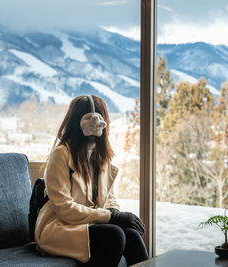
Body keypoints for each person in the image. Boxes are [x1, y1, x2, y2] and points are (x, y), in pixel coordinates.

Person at [35, 95, 149, 267]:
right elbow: (65, 209)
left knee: (131, 234)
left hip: (89, 223)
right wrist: (112, 217)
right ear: (78, 124)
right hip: (59, 228)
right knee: (114, 235)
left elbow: (109, 197)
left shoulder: (101, 156)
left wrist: (113, 210)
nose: (95, 127)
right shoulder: (61, 154)